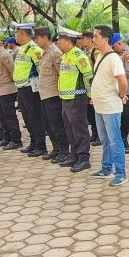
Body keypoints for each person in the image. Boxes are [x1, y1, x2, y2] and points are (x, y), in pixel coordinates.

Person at [90, 26, 129, 186]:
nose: (93, 39)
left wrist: (121, 95)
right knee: (105, 139)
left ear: (105, 39)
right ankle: (106, 168)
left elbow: (123, 81)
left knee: (115, 141)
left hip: (110, 106)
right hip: (99, 106)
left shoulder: (113, 58)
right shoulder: (99, 56)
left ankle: (121, 173)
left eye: (95, 36)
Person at [57, 27, 94, 172]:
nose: (58, 43)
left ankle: (84, 158)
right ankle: (74, 154)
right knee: (69, 128)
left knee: (79, 128)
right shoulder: (65, 55)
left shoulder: (79, 56)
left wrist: (90, 96)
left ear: (68, 41)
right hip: (66, 98)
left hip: (77, 98)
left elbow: (88, 77)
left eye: (60, 41)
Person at [35, 27, 71, 165]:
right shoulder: (45, 53)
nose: (36, 41)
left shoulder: (55, 53)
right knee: (49, 124)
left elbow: (61, 74)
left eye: (37, 38)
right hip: (44, 94)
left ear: (44, 38)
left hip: (54, 95)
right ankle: (56, 149)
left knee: (57, 125)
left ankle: (64, 151)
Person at [12, 24, 48, 156]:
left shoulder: (34, 49)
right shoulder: (22, 49)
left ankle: (41, 146)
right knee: (27, 118)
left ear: (23, 34)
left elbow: (41, 69)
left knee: (35, 118)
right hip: (21, 88)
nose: (16, 36)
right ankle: (33, 143)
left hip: (31, 89)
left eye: (17, 33)